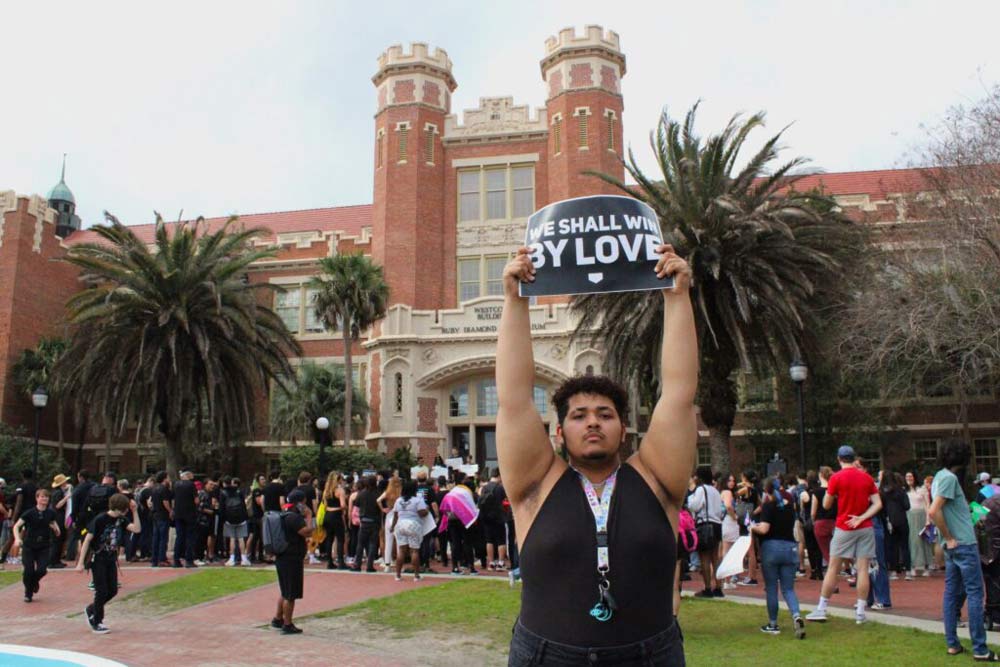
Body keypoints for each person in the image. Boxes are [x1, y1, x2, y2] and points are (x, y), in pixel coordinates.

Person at [497, 244, 695, 665]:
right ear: (559, 432)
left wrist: (677, 298)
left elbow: (678, 395)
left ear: (624, 429)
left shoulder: (657, 479)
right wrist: (515, 302)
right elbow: (514, 399)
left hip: (648, 656)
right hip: (548, 657)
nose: (592, 423)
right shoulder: (535, 485)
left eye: (605, 415)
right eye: (578, 415)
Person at [929, 438, 1000, 660]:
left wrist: (972, 518)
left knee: (952, 594)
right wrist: (950, 537)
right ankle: (980, 649)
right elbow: (934, 511)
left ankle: (953, 644)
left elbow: (957, 508)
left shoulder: (940, 477)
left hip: (953, 546)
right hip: (963, 545)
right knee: (975, 594)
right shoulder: (950, 479)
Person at [806, 446, 882, 625]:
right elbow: (877, 503)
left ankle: (822, 608)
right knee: (863, 568)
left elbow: (825, 505)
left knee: (833, 567)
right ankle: (861, 612)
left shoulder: (836, 478)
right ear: (853, 458)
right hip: (864, 525)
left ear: (839, 459)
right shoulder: (866, 477)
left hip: (844, 525)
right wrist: (862, 517)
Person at [76, 493, 141, 634]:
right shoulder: (100, 519)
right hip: (98, 558)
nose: (127, 511)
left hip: (111, 558)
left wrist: (135, 511)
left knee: (113, 590)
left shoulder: (121, 520)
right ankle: (97, 621)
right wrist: (80, 563)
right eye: (126, 508)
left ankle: (91, 609)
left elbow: (136, 529)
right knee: (102, 590)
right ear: (121, 507)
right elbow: (87, 540)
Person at [751, 476, 805, 638]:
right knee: (788, 588)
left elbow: (765, 529)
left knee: (772, 588)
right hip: (789, 547)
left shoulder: (768, 506)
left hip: (771, 549)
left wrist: (753, 528)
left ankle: (773, 623)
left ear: (766, 491)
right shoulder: (789, 507)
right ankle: (796, 615)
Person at [271, 489, 312, 635]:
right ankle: (287, 624)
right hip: (291, 558)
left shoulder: (284, 515)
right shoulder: (294, 518)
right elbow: (308, 532)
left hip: (283, 557)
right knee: (291, 593)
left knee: (285, 590)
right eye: (304, 503)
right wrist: (308, 516)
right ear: (299, 503)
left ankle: (278, 618)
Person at [13, 488, 61, 602]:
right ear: (37, 498)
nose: (45, 499)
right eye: (42, 496)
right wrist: (17, 539)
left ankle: (34, 582)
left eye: (46, 497)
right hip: (29, 545)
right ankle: (28, 593)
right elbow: (16, 526)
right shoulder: (29, 513)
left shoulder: (51, 513)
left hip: (44, 545)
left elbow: (54, 523)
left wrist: (56, 529)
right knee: (28, 570)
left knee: (42, 570)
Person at [686, 466, 724, 597]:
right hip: (717, 525)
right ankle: (719, 588)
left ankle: (708, 588)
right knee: (715, 558)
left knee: (705, 558)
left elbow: (694, 506)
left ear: (700, 477)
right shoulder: (715, 491)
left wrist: (691, 494)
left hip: (705, 525)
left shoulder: (701, 490)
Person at [390, 479, 429, 581]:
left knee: (401, 550)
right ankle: (416, 576)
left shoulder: (398, 500)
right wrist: (427, 510)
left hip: (400, 525)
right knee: (414, 551)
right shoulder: (418, 500)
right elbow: (422, 513)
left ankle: (398, 575)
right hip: (413, 524)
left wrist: (392, 527)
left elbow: (395, 515)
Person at [880, 471, 911, 580]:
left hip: (889, 521)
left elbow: (881, 508)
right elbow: (907, 506)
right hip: (902, 520)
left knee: (891, 547)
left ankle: (893, 570)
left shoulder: (882, 492)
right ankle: (908, 571)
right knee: (905, 546)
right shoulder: (901, 491)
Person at [479, 469, 509, 571]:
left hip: (486, 517)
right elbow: (505, 501)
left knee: (489, 540)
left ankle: (491, 563)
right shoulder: (500, 488)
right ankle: (500, 563)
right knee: (501, 540)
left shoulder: (484, 488)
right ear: (499, 476)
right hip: (498, 517)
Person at [905, 471, 934, 577]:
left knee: (924, 541)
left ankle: (926, 566)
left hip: (922, 516)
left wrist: (928, 519)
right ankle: (913, 566)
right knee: (912, 541)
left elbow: (927, 504)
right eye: (907, 476)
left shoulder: (922, 489)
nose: (909, 478)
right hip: (910, 516)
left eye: (911, 476)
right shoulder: (905, 490)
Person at [810, 466, 836, 584]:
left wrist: (813, 520)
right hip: (836, 522)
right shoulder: (835, 490)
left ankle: (831, 581)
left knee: (826, 553)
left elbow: (813, 512)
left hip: (821, 522)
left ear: (820, 475)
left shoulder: (816, 491)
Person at [352, 477, 380, 572]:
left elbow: (356, 503)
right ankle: (369, 565)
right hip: (375, 521)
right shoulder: (377, 493)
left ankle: (357, 565)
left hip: (364, 520)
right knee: (372, 544)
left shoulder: (362, 493)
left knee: (360, 544)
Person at [321, 472, 348, 570]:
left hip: (327, 515)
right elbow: (343, 505)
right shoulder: (340, 490)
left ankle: (330, 562)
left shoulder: (326, 491)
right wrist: (344, 509)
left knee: (329, 539)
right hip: (336, 516)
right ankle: (341, 562)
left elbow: (325, 505)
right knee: (340, 539)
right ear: (338, 479)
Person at [222, 478, 251, 567]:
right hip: (241, 518)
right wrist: (245, 516)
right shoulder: (239, 492)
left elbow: (222, 507)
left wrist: (223, 518)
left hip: (229, 519)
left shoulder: (224, 493)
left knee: (232, 538)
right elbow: (243, 505)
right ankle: (243, 558)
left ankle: (232, 558)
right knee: (241, 538)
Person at [172, 470, 198, 568]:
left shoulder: (175, 485)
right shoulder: (191, 485)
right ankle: (189, 560)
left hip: (178, 514)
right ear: (187, 475)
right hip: (189, 514)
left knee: (179, 537)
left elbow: (173, 499)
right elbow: (196, 500)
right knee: (190, 537)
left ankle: (176, 559)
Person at [719, 474, 740, 590]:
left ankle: (725, 578)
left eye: (733, 480)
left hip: (725, 522)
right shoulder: (727, 493)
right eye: (729, 480)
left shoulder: (722, 492)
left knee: (725, 550)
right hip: (729, 522)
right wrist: (735, 516)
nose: (732, 482)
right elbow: (728, 506)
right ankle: (727, 579)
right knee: (729, 551)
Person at [49, 474, 72, 568]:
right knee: (57, 540)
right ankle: (53, 561)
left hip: (59, 517)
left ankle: (56, 560)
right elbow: (58, 505)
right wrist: (67, 497)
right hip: (58, 517)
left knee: (59, 540)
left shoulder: (58, 492)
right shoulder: (58, 493)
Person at [150, 471, 172, 567]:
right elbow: (165, 501)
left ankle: (154, 559)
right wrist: (170, 511)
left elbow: (150, 502)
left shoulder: (154, 488)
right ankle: (162, 558)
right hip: (163, 515)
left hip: (155, 514)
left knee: (156, 537)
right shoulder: (164, 489)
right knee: (163, 538)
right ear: (164, 478)